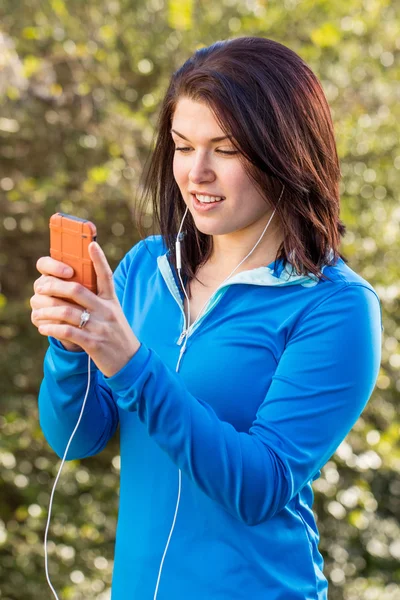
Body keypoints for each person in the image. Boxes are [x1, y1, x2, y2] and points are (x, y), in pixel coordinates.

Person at [31, 37, 382, 600]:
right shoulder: (146, 268)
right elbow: (78, 437)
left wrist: (129, 362)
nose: (196, 173)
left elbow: (258, 486)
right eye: (182, 145)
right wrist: (71, 344)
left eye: (226, 149)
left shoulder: (335, 307)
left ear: (284, 152)